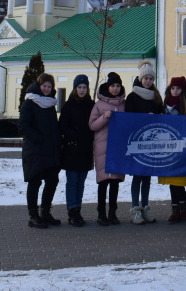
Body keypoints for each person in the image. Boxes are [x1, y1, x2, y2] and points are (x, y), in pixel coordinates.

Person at [18, 73, 61, 229]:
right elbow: (23, 125)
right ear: (38, 85)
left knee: (52, 180)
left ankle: (45, 211)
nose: (47, 89)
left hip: (50, 149)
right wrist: (39, 138)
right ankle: (33, 215)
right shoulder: (30, 102)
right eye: (44, 86)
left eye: (49, 87)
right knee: (34, 182)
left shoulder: (50, 103)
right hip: (35, 150)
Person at [124, 60, 163, 225]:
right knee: (137, 176)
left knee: (147, 176)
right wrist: (142, 117)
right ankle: (135, 209)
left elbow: (161, 114)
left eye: (151, 79)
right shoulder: (132, 96)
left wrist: (156, 117)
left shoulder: (156, 97)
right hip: (137, 141)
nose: (148, 81)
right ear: (140, 79)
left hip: (151, 142)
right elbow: (128, 117)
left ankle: (146, 207)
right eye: (145, 78)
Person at [88, 72, 126, 226]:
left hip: (118, 148)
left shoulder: (124, 104)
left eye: (118, 86)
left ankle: (113, 213)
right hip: (103, 149)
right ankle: (101, 214)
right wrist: (104, 117)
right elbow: (92, 125)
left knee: (115, 183)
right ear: (108, 87)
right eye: (113, 86)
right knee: (103, 183)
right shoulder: (99, 104)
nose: (115, 89)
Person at [159, 76, 186, 222]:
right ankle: (176, 209)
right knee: (170, 181)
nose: (175, 91)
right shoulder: (164, 107)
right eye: (173, 88)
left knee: (178, 181)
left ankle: (184, 205)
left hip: (182, 148)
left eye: (178, 88)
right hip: (167, 148)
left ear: (183, 91)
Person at [59, 74, 95, 227]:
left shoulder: (91, 105)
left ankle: (78, 209)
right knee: (72, 181)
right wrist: (75, 134)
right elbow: (62, 126)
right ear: (75, 88)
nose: (82, 90)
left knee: (81, 182)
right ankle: (72, 211)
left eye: (84, 87)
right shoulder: (68, 105)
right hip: (72, 149)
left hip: (86, 149)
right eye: (79, 87)